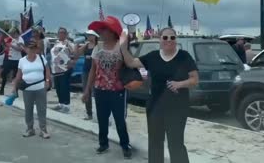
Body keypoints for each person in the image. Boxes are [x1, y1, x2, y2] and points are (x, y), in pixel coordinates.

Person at [120, 27, 199, 163]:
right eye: (165, 37)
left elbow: (194, 80)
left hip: (178, 108)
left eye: (172, 38)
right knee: (155, 143)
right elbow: (131, 63)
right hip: (155, 107)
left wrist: (179, 84)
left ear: (176, 40)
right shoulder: (153, 56)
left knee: (176, 143)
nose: (169, 40)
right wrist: (123, 47)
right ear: (160, 40)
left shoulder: (184, 56)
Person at [82, 16, 132, 159]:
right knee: (102, 119)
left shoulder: (121, 47)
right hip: (100, 90)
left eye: (104, 29)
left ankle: (125, 145)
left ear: (112, 31)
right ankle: (103, 143)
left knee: (120, 120)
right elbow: (93, 70)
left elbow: (130, 64)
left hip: (118, 90)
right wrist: (87, 89)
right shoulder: (97, 48)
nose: (101, 32)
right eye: (101, 29)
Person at [11, 39, 51, 139]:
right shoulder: (22, 61)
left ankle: (43, 129)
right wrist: (14, 87)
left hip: (40, 88)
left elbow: (47, 70)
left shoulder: (41, 58)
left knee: (42, 109)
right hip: (27, 89)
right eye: (30, 48)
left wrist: (47, 81)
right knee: (28, 109)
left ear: (36, 49)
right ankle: (30, 129)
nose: (32, 50)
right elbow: (18, 75)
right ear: (26, 49)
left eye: (34, 48)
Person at [51, 27, 78, 113]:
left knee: (64, 88)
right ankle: (60, 104)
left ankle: (66, 106)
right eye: (59, 33)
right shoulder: (56, 43)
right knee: (58, 88)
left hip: (65, 70)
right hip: (55, 70)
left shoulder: (69, 44)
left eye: (63, 33)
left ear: (66, 34)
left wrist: (72, 63)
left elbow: (75, 55)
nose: (60, 34)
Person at [0, 28, 24, 95]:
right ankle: (2, 89)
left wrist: (11, 45)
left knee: (16, 76)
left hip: (17, 60)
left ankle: (15, 91)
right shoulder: (12, 39)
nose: (11, 35)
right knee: (4, 73)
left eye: (12, 34)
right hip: (10, 59)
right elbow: (6, 44)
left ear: (16, 33)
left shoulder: (20, 39)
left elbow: (21, 49)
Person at [80, 30, 99, 120]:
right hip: (86, 70)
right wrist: (77, 46)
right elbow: (76, 53)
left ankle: (98, 114)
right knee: (86, 91)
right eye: (87, 35)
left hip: (96, 71)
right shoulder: (86, 45)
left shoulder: (98, 46)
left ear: (95, 36)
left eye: (90, 35)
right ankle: (89, 113)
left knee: (96, 92)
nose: (88, 36)